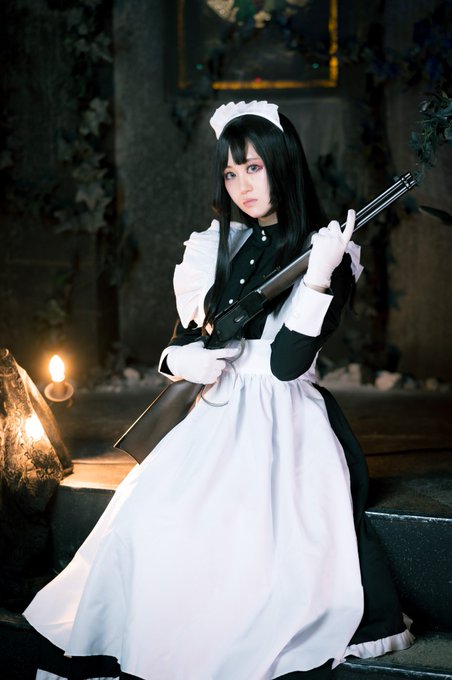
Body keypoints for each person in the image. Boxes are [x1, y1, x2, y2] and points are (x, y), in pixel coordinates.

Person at [23, 100, 414, 680]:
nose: (242, 187)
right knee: (150, 520)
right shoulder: (216, 245)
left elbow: (286, 365)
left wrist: (318, 277)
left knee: (245, 554)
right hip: (215, 409)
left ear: (283, 163)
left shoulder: (330, 252)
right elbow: (182, 339)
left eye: (254, 168)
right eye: (231, 173)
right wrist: (181, 359)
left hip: (286, 422)